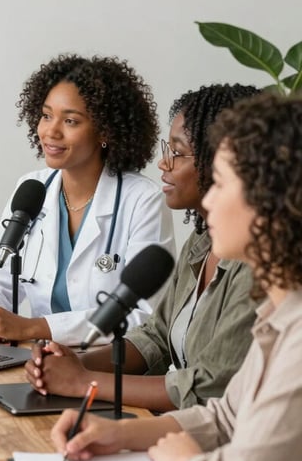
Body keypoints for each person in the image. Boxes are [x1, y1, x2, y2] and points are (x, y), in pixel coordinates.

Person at [51, 93, 302, 461]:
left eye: (220, 185)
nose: (207, 199)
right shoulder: (281, 317)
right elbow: (226, 417)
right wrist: (121, 436)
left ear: (267, 205)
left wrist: (182, 460)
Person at [25, 84, 261, 411]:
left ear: (227, 163)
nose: (164, 164)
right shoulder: (202, 241)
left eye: (177, 153)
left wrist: (84, 382)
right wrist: (79, 364)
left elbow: (211, 385)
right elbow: (154, 336)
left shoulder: (261, 264)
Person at [0, 54, 175, 346]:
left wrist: (35, 327)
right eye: (46, 115)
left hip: (107, 369)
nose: (51, 131)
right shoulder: (32, 188)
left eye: (71, 120)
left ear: (105, 130)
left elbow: (143, 316)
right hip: (37, 363)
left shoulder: (142, 200)